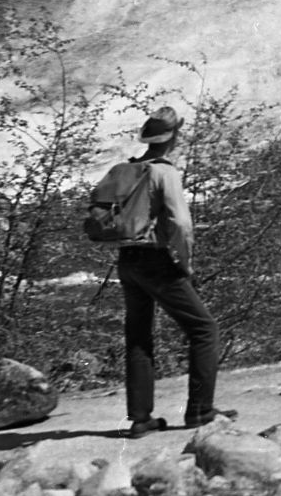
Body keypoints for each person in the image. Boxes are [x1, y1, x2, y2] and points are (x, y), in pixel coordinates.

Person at [95, 106, 229, 438]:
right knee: (204, 329)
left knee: (139, 336)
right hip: (155, 261)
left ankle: (141, 419)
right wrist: (186, 265)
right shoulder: (164, 173)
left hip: (127, 260)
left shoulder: (125, 170)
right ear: (174, 138)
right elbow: (181, 224)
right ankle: (200, 410)